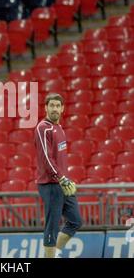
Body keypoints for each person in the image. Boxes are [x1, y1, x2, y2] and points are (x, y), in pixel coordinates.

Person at [34, 93, 82, 258]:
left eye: (57, 106)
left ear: (62, 109)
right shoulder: (43, 127)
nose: (54, 108)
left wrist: (64, 179)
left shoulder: (59, 128)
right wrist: (61, 178)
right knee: (52, 225)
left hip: (62, 182)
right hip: (50, 184)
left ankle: (54, 254)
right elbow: (47, 158)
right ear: (46, 107)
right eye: (51, 105)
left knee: (75, 221)